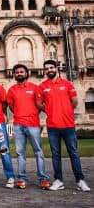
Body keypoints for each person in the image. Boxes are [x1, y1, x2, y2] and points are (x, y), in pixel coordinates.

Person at [37, 60, 91, 191]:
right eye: (46, 68)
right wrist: (50, 110)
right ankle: (58, 180)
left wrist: (65, 111)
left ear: (56, 68)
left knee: (74, 153)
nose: (49, 70)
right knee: (56, 155)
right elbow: (39, 104)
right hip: (53, 126)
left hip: (68, 125)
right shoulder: (42, 86)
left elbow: (75, 102)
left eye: (51, 67)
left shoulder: (67, 84)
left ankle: (80, 180)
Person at [7, 64, 50, 190]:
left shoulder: (35, 88)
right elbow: (11, 106)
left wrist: (30, 115)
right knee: (20, 153)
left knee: (39, 152)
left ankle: (43, 178)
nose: (19, 74)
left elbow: (39, 105)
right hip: (18, 125)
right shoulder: (12, 90)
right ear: (14, 74)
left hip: (33, 125)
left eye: (21, 72)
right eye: (17, 72)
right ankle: (22, 178)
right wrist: (20, 114)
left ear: (27, 73)